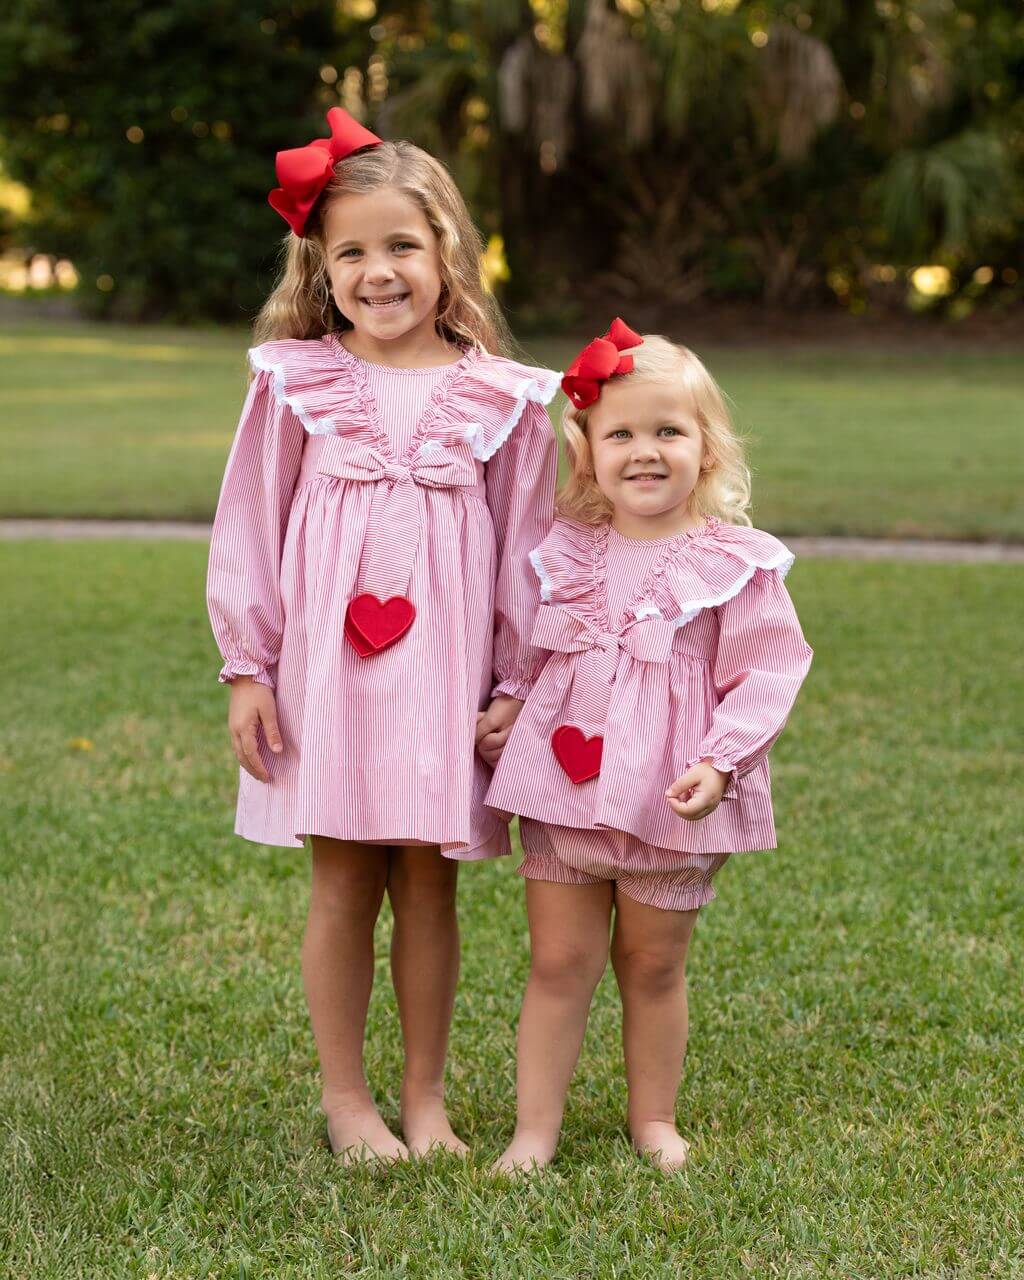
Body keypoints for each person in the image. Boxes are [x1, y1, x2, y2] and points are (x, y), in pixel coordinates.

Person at [206, 108, 559, 1164]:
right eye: (351, 251)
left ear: (446, 250)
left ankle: (426, 1098)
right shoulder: (295, 381)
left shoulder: (504, 400)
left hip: (447, 678)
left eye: (401, 245)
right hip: (327, 675)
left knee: (428, 883)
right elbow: (248, 526)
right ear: (321, 264)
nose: (378, 271)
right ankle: (346, 1099)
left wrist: (516, 681)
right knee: (343, 881)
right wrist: (247, 667)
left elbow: (530, 551)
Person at [485, 319, 812, 1173]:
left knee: (653, 962)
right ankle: (534, 1132)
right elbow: (532, 645)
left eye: (668, 430)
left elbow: (768, 670)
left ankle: (654, 1120)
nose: (645, 451)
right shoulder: (564, 551)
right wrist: (511, 700)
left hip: (672, 795)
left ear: (707, 449)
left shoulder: (733, 564)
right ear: (588, 450)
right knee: (559, 961)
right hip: (565, 786)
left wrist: (722, 760)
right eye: (621, 434)